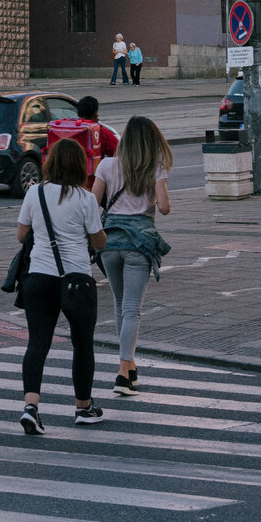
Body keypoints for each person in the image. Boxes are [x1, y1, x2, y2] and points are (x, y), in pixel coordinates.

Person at [16, 135, 108, 433]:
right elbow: (99, 242)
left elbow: (21, 235)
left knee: (37, 342)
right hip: (77, 280)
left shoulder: (35, 193)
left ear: (50, 163)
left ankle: (31, 407)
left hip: (38, 277)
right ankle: (83, 407)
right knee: (82, 344)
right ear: (80, 166)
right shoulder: (86, 199)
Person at [94, 117, 173, 396]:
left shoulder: (106, 165)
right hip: (138, 244)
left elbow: (92, 203)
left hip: (109, 243)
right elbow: (164, 207)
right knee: (132, 310)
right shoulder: (155, 167)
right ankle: (122, 373)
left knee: (120, 306)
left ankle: (130, 369)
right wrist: (153, 197)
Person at [46, 95, 119, 186]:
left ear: (78, 114)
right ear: (95, 114)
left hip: (62, 183)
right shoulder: (101, 131)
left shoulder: (66, 129)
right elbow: (119, 153)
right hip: (90, 184)